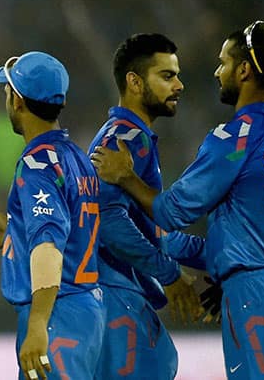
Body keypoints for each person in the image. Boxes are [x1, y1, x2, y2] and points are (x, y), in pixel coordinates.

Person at [92, 21, 264, 379]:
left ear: (244, 70)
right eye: (168, 75)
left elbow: (170, 212)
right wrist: (230, 265)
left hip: (256, 296)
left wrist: (126, 177)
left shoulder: (234, 139)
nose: (216, 72)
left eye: (223, 63)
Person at [0, 51, 104, 380]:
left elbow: (48, 245)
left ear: (18, 101)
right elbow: (72, 232)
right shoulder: (75, 156)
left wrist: (37, 324)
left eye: (6, 93)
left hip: (57, 311)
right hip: (84, 307)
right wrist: (18, 232)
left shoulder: (37, 164)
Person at [87, 34, 204, 379]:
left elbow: (156, 232)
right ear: (135, 82)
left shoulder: (134, 139)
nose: (179, 85)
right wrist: (169, 275)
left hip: (120, 294)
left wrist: (219, 258)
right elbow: (107, 221)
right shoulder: (124, 140)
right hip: (112, 294)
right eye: (167, 76)